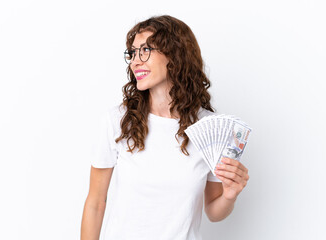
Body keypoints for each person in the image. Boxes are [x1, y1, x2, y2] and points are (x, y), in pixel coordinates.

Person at [81, 15, 250, 240]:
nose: (135, 61)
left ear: (175, 56)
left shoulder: (211, 130)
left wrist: (230, 195)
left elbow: (213, 211)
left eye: (145, 51)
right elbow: (95, 202)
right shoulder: (118, 121)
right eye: (132, 53)